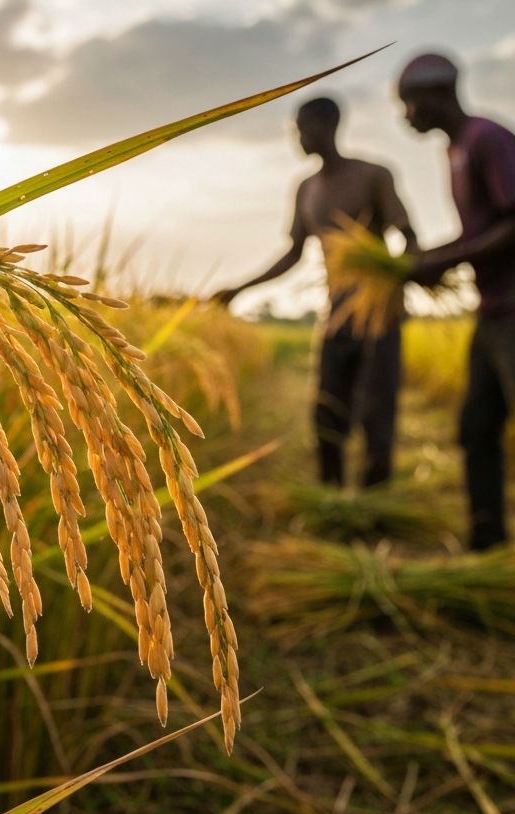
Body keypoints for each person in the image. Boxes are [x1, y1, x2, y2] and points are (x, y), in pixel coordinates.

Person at [215, 96, 418, 487]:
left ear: (327, 126)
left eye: (301, 128)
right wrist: (241, 288)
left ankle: (375, 501)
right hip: (336, 317)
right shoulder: (306, 188)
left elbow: (408, 236)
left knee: (377, 413)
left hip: (378, 317)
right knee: (327, 413)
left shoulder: (373, 175)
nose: (297, 137)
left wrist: (395, 285)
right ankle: (332, 495)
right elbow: (293, 253)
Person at [399, 52, 515, 550]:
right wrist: (429, 258)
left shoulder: (487, 139)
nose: (406, 116)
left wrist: (444, 262)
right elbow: (478, 233)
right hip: (491, 312)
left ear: (438, 94)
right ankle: (487, 543)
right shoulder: (455, 151)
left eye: (409, 103)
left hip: (513, 312)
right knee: (476, 428)